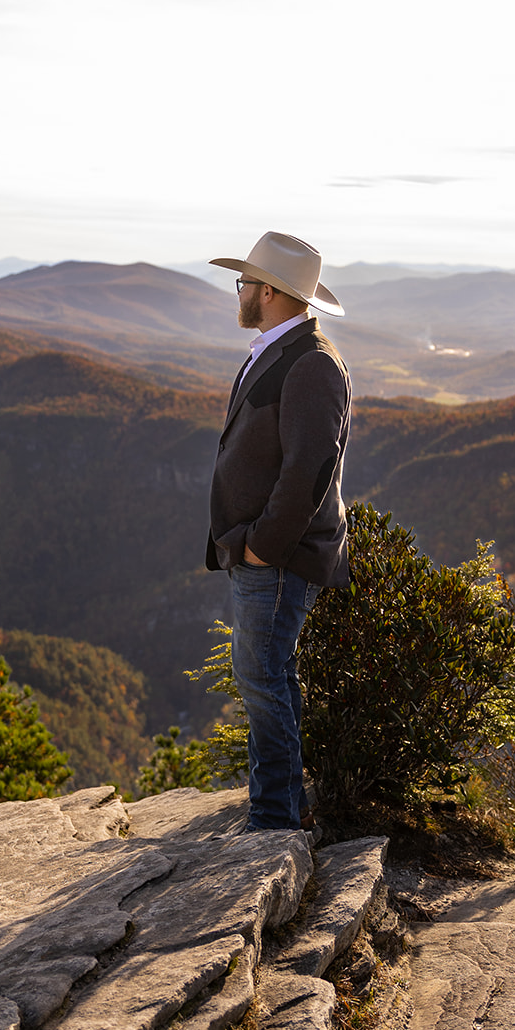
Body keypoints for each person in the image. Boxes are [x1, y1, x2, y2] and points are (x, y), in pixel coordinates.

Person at [205, 230, 351, 833]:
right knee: (269, 675)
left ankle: (275, 819)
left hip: (278, 557)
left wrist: (263, 547)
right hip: (265, 552)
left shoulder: (312, 363)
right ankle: (283, 806)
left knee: (262, 677)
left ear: (267, 291)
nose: (237, 292)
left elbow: (308, 469)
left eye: (242, 283)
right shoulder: (281, 349)